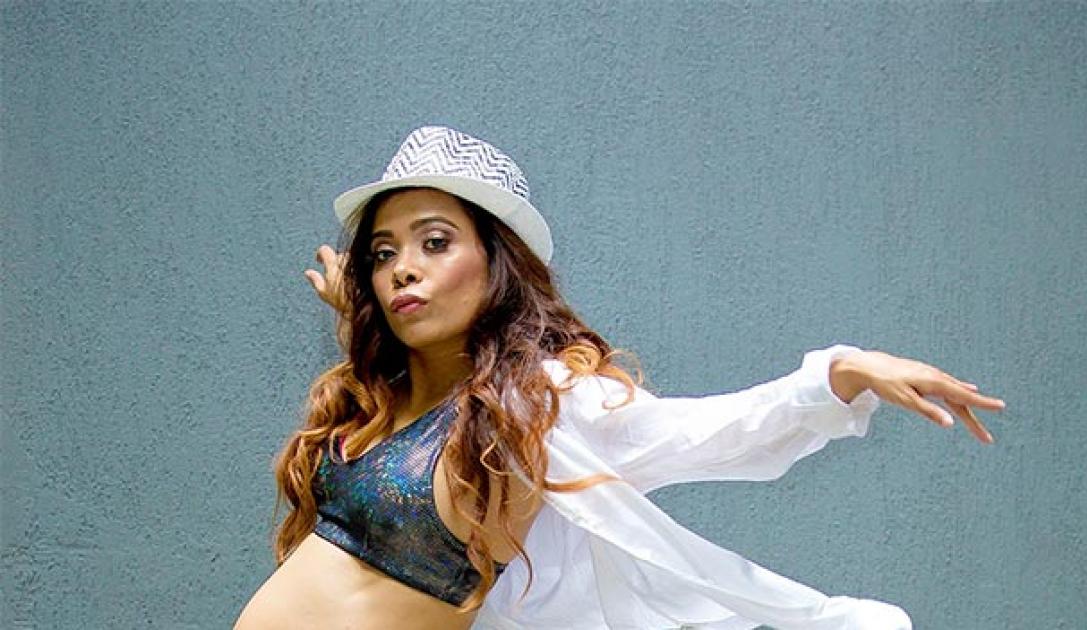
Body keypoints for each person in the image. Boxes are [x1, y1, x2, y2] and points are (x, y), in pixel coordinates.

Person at [234, 125, 1005, 630]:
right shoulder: (384, 397)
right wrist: (358, 321)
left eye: (435, 242)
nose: (403, 268)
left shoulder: (544, 406)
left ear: (495, 265)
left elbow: (710, 433)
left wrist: (839, 374)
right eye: (383, 253)